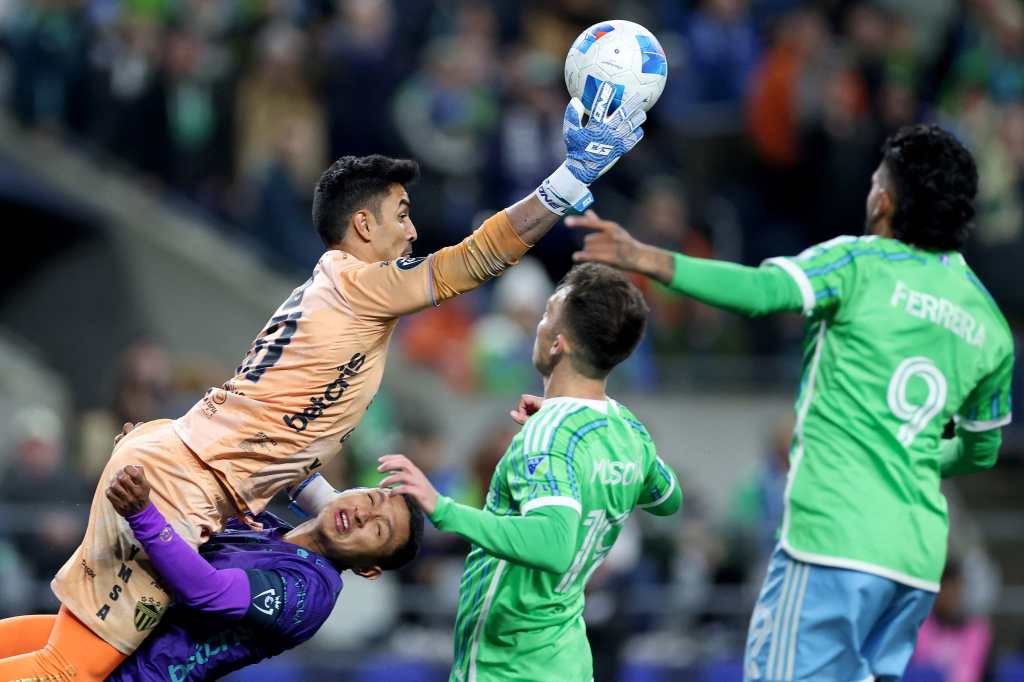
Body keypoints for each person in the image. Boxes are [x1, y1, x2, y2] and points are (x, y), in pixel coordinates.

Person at [0, 84, 647, 681]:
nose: (413, 230)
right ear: (364, 226)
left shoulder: (335, 300)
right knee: (71, 673)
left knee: (65, 644)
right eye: (402, 214)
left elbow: (286, 457)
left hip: (182, 463)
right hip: (181, 488)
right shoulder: (360, 286)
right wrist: (566, 183)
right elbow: (473, 259)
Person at [567, 124, 1014, 681]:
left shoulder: (859, 265)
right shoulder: (989, 324)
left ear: (885, 200)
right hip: (915, 562)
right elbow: (981, 447)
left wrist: (645, 257)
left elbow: (762, 292)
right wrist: (915, 457)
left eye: (877, 180)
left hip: (832, 540)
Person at [377, 263, 683, 682]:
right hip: (567, 661)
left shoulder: (548, 436)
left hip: (510, 663)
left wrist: (443, 508)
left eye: (544, 317)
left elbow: (553, 544)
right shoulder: (627, 429)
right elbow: (668, 500)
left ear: (558, 344)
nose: (536, 327)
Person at [0, 456, 423, 681]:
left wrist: (144, 513)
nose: (364, 515)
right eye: (370, 498)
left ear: (369, 569)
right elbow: (284, 461)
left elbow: (207, 591)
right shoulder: (266, 529)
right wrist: (146, 464)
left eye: (379, 530)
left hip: (126, 675)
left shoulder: (309, 594)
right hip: (110, 634)